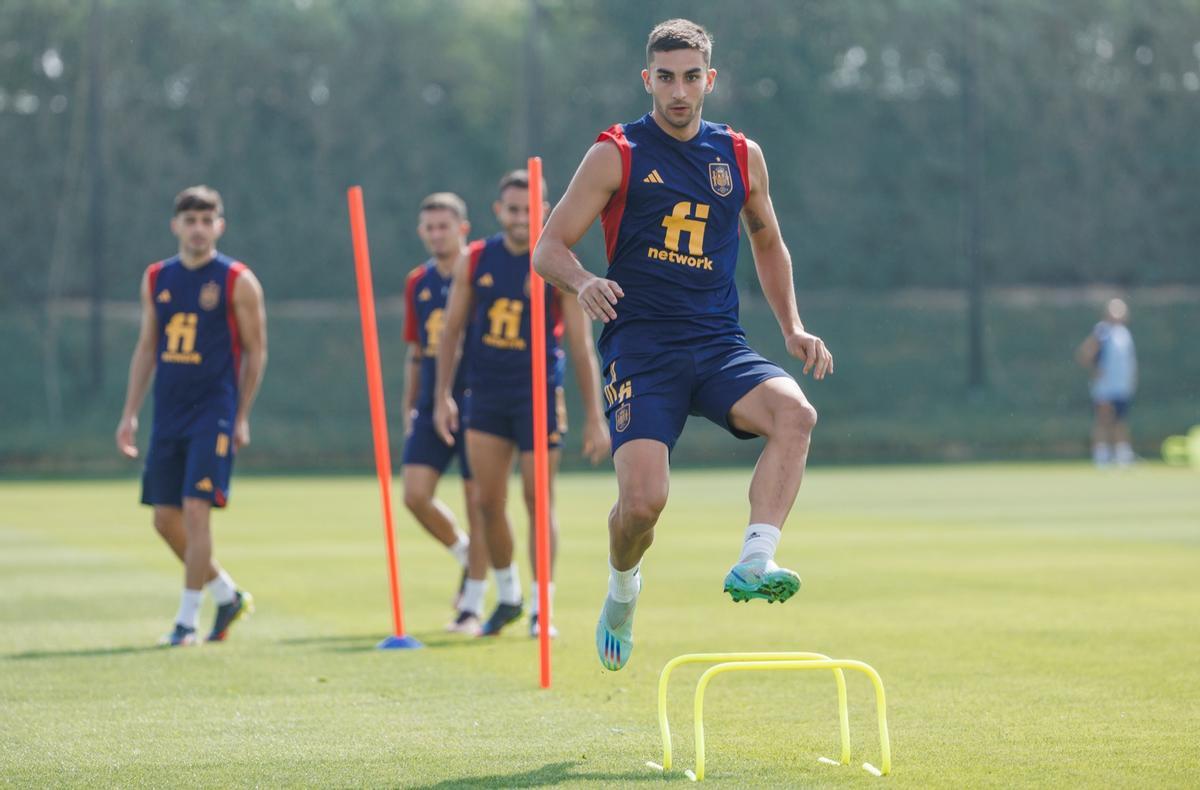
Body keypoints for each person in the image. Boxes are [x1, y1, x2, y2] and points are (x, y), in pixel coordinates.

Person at [532, 19, 834, 671]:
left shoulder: (741, 156)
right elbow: (548, 248)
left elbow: (768, 242)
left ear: (709, 80)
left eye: (691, 77)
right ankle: (623, 588)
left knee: (795, 413)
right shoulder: (616, 153)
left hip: (719, 344)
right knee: (643, 505)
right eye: (666, 78)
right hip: (642, 349)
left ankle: (756, 559)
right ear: (648, 79)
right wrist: (584, 281)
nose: (678, 91)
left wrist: (792, 327)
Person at [434, 170, 610, 638]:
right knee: (487, 501)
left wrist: (595, 416)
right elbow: (451, 332)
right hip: (486, 394)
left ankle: (541, 606)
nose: (519, 218)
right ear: (499, 211)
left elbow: (580, 346)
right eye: (512, 210)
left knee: (538, 500)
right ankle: (508, 593)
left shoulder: (557, 263)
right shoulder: (476, 259)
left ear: (545, 210)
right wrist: (442, 396)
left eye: (528, 210)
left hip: (538, 395)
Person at [115, 185, 267, 647]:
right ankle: (226, 595)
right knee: (165, 520)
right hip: (169, 412)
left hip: (214, 411)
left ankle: (186, 622)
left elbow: (256, 351)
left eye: (206, 220)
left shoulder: (237, 280)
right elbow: (147, 346)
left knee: (197, 510)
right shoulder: (156, 277)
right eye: (190, 220)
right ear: (175, 226)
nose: (198, 229)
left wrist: (241, 414)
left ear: (219, 226)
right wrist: (130, 413)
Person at [401, 193, 490, 635]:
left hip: (478, 398)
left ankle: (472, 605)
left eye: (444, 226)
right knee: (414, 494)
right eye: (430, 227)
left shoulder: (480, 272)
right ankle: (468, 554)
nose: (437, 234)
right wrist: (410, 404)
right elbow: (417, 352)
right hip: (432, 401)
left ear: (462, 228)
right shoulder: (418, 282)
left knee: (478, 500)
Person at [1076, 298, 1137, 467]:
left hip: (1121, 386)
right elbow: (1085, 353)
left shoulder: (1124, 333)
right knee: (1103, 420)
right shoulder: (1102, 331)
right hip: (1105, 386)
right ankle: (1101, 456)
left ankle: (1123, 456)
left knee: (1120, 421)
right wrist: (1095, 370)